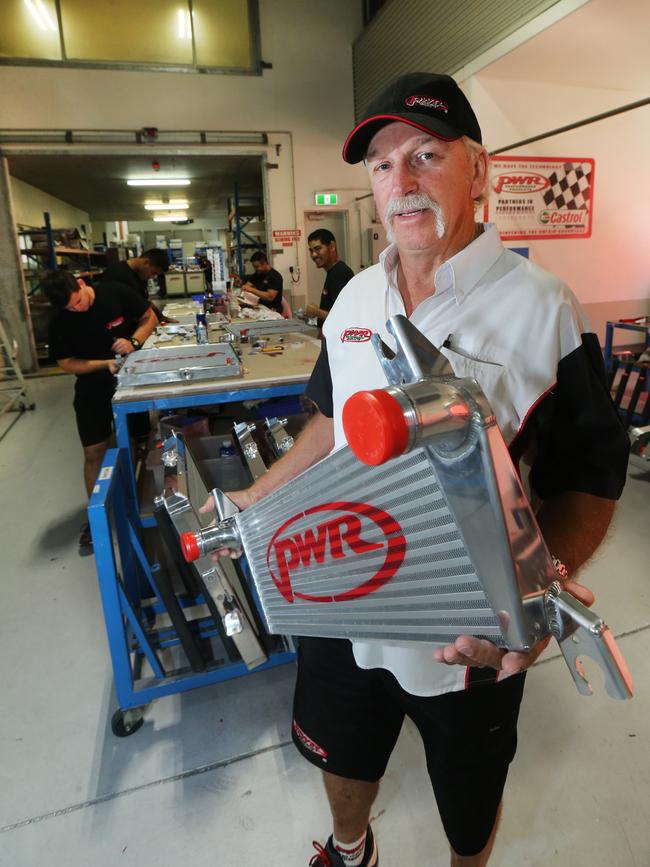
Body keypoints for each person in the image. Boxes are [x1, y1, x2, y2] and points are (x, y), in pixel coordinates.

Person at [202, 72, 629, 866]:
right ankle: (350, 845)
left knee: (468, 797)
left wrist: (533, 604)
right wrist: (253, 500)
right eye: (382, 165)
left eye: (426, 155)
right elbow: (330, 424)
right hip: (343, 586)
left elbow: (590, 476)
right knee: (338, 752)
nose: (401, 183)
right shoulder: (355, 299)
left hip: (465, 631)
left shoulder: (542, 308)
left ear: (480, 167)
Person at [43, 270, 157, 553]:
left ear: (81, 285)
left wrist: (134, 342)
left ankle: (129, 500)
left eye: (78, 301)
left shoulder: (114, 292)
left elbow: (149, 318)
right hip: (92, 388)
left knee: (128, 443)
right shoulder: (59, 322)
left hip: (131, 380)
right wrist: (101, 364)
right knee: (93, 452)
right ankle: (97, 515)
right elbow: (67, 362)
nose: (76, 309)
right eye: (69, 308)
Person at [100, 248, 170, 322]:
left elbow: (145, 301)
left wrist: (161, 317)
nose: (151, 277)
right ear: (146, 262)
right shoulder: (116, 273)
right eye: (153, 273)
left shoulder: (141, 276)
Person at [307, 229, 354, 328]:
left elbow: (342, 317)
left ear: (332, 246)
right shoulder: (332, 272)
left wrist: (316, 312)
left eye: (318, 249)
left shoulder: (341, 273)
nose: (313, 255)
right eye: (311, 251)